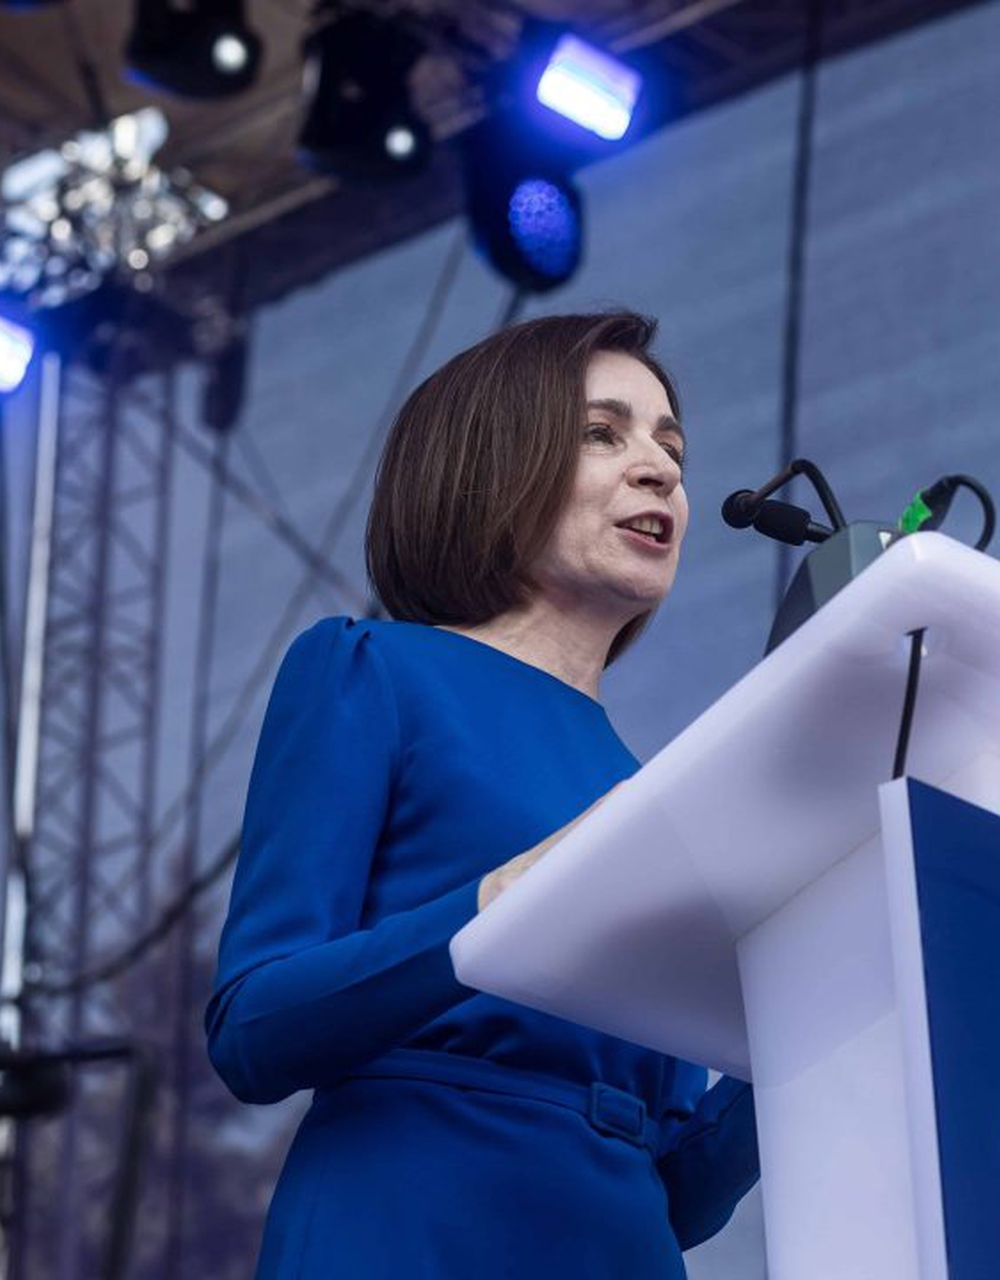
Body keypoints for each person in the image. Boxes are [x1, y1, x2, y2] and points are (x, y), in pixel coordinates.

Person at [205, 311, 759, 1279]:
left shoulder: (654, 789)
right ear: (492, 465)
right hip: (407, 1222)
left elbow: (684, 1193)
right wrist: (497, 906)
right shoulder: (369, 669)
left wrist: (795, 1037)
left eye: (671, 446)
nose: (662, 469)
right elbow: (253, 1026)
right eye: (604, 433)